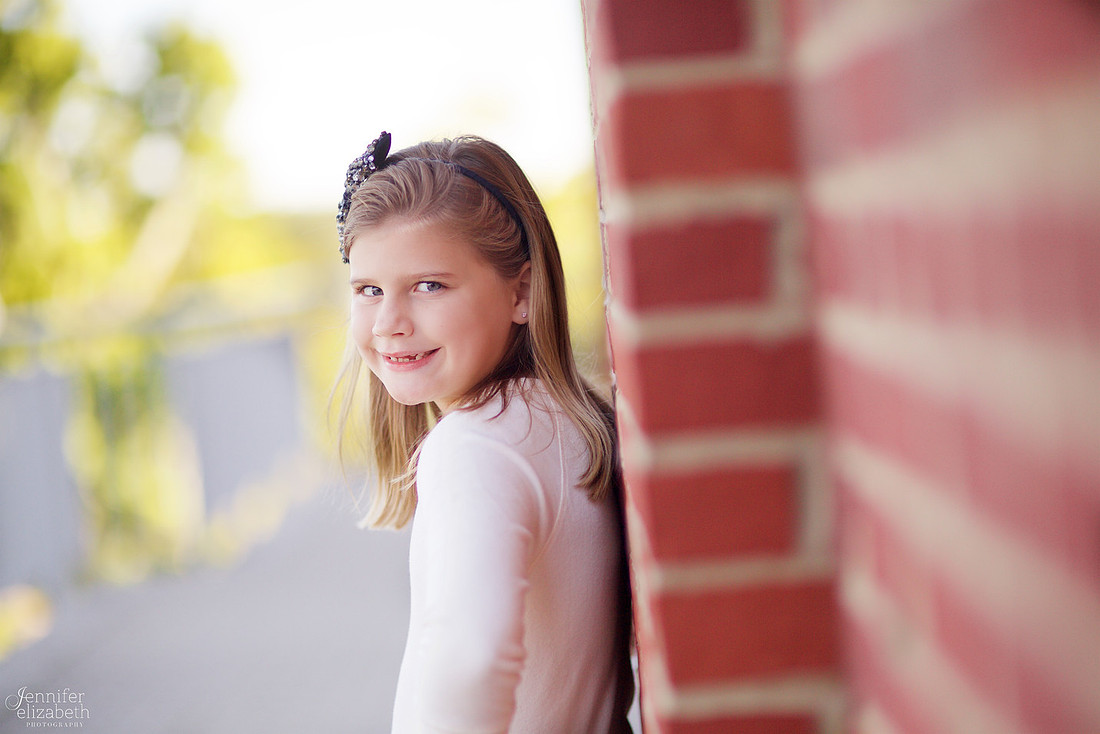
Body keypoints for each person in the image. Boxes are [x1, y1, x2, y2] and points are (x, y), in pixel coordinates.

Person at [332, 131, 634, 733]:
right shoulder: (557, 419)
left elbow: (470, 662)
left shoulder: (473, 447)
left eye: (429, 285)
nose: (389, 322)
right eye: (369, 290)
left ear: (522, 291)